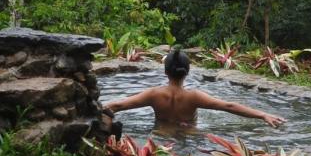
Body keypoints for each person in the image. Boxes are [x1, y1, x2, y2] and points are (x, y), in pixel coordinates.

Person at [103, 47, 285, 129]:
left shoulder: (153, 94)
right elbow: (228, 106)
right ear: (187, 72)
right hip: (189, 135)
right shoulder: (194, 97)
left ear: (166, 72)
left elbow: (117, 106)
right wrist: (263, 115)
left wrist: (93, 109)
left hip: (161, 134)